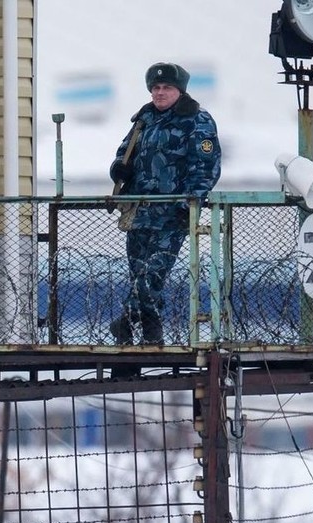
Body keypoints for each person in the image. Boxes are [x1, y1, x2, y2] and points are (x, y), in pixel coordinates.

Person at [108, 62, 222, 346]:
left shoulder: (196, 120)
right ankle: (150, 330)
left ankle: (126, 321)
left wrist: (190, 201)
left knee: (153, 273)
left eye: (166, 88)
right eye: (155, 88)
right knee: (139, 274)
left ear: (179, 90)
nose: (159, 93)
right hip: (139, 211)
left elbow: (206, 167)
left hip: (172, 213)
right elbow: (126, 153)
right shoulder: (144, 119)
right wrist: (119, 170)